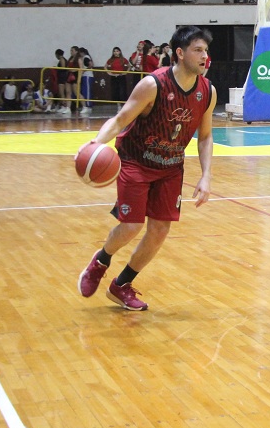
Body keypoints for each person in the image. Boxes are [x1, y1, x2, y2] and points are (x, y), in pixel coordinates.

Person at [77, 25, 216, 311]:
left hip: (171, 167)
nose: (204, 56)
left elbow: (205, 136)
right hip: (136, 161)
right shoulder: (153, 84)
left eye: (206, 51)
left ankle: (121, 285)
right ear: (179, 53)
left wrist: (206, 175)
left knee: (160, 230)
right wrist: (95, 143)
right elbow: (119, 120)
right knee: (131, 226)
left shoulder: (207, 91)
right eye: (198, 50)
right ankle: (100, 261)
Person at [78, 47, 95, 116]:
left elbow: (91, 64)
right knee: (85, 91)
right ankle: (87, 106)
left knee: (87, 92)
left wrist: (85, 70)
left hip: (88, 76)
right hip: (85, 76)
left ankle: (88, 106)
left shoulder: (86, 57)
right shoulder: (85, 57)